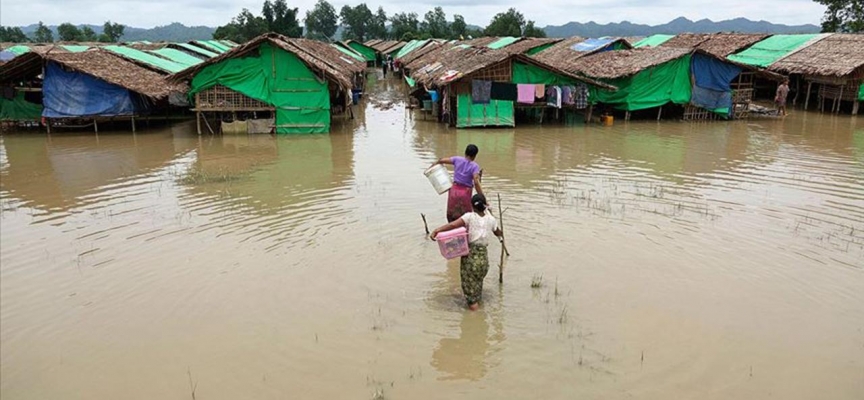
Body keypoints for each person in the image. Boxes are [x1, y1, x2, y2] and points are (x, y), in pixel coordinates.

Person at [431, 194, 503, 310]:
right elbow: (499, 233)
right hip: (483, 260)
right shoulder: (491, 220)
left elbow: (453, 225)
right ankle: (480, 316)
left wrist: (437, 230)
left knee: (470, 293)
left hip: (471, 259)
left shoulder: (469, 217)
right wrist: (500, 234)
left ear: (472, 206)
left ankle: (474, 318)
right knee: (477, 285)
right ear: (485, 206)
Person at [430, 144, 483, 222]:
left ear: (465, 153)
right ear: (475, 156)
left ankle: (451, 232)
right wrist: (481, 196)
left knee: (451, 216)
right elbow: (476, 181)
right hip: (465, 193)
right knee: (465, 218)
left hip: (453, 191)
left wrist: (432, 166)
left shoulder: (457, 159)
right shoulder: (475, 166)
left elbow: (441, 160)